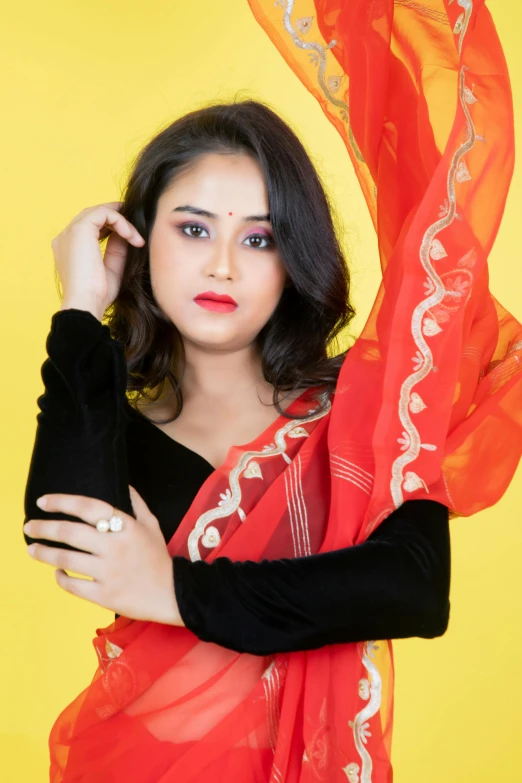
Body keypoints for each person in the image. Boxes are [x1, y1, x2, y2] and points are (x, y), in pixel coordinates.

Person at [23, 0, 522, 780]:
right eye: (192, 229)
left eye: (259, 238)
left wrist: (175, 588)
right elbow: (66, 536)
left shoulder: (360, 417)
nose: (223, 264)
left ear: (295, 258)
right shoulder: (114, 425)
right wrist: (81, 308)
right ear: (139, 238)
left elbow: (411, 587)